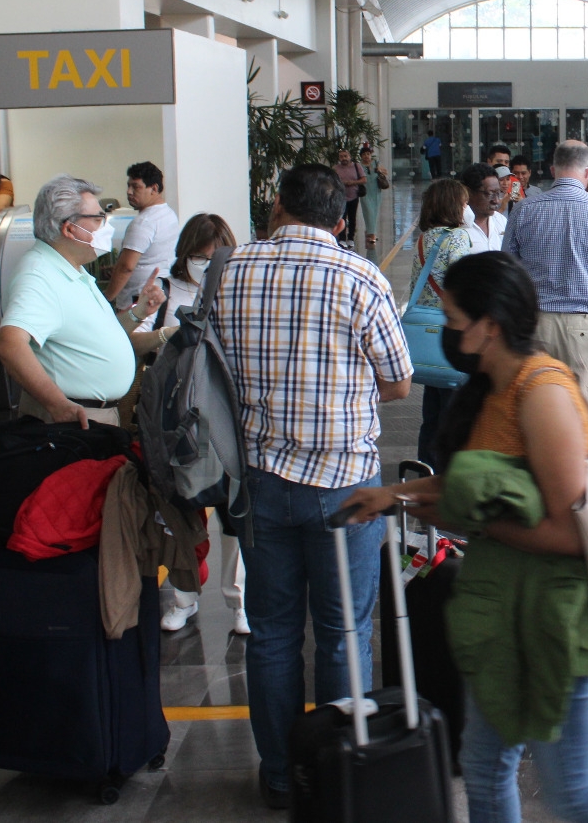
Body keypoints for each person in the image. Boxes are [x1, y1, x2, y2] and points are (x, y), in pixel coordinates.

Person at [339, 252, 588, 823]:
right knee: (485, 768)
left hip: (555, 621)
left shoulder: (541, 393)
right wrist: (397, 496)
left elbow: (569, 533)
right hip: (509, 617)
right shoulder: (493, 384)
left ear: (489, 326)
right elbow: (485, 478)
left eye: (453, 318)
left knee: (576, 793)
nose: (445, 329)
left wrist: (470, 521)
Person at [209, 163, 413, 808]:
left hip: (260, 479)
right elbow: (400, 381)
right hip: (344, 485)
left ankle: (279, 776)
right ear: (340, 218)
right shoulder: (360, 277)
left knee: (270, 633)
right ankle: (334, 772)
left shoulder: (231, 271)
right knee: (343, 632)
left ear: (276, 206)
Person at [149, 213, 249, 637]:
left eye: (213, 256)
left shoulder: (239, 288)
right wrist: (165, 328)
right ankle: (183, 595)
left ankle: (240, 600)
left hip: (225, 417)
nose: (205, 264)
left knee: (234, 515)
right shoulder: (165, 291)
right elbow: (137, 342)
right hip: (178, 420)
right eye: (197, 256)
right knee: (181, 513)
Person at [0, 175, 160, 428]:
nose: (104, 226)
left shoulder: (73, 269)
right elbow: (10, 345)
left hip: (97, 417)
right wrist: (56, 405)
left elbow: (94, 335)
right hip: (73, 421)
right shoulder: (39, 275)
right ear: (70, 228)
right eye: (97, 219)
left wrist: (138, 313)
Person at [503, 139, 588, 411]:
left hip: (535, 326)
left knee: (537, 411)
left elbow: (508, 266)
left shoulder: (524, 209)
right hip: (586, 329)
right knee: (585, 417)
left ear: (553, 170)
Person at [412, 179, 474, 466]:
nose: (467, 208)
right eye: (464, 202)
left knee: (432, 409)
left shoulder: (425, 238)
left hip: (427, 330)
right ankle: (449, 467)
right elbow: (463, 283)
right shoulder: (458, 238)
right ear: (454, 205)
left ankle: (426, 462)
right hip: (451, 330)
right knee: (454, 404)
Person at [105, 161, 179, 310]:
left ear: (154, 188)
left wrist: (107, 298)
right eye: (128, 186)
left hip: (136, 300)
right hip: (161, 293)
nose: (129, 192)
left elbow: (126, 267)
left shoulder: (144, 222)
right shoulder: (168, 213)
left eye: (136, 186)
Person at [460, 163, 508, 253]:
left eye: (498, 193)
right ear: (468, 192)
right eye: (490, 194)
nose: (496, 201)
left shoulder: (501, 221)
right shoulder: (457, 226)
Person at [358, 142, 389, 253]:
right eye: (364, 154)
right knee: (368, 212)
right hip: (365, 192)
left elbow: (385, 172)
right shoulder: (359, 166)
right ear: (361, 156)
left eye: (368, 154)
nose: (366, 156)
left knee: (374, 213)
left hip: (376, 191)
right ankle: (371, 234)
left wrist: (380, 171)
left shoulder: (376, 163)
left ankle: (371, 232)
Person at [333, 149, 366, 247]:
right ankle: (342, 238)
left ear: (349, 156)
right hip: (340, 197)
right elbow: (331, 181)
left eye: (345, 156)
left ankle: (351, 238)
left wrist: (353, 183)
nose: (344, 158)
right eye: (341, 156)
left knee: (352, 218)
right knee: (341, 217)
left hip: (353, 196)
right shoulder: (335, 168)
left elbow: (364, 179)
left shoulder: (357, 166)